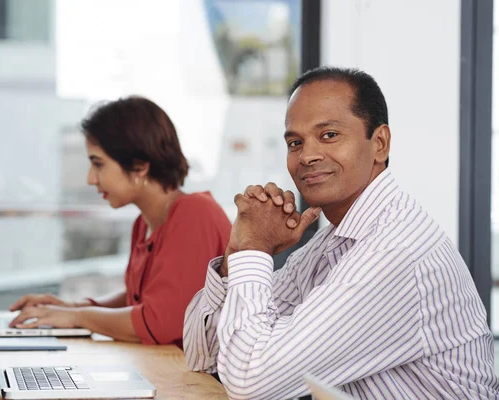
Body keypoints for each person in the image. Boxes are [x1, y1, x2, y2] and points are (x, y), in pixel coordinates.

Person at [183, 67, 499, 399]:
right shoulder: (333, 241)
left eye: (329, 135)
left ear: (379, 143)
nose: (307, 156)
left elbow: (250, 383)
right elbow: (204, 353)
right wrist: (236, 253)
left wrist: (256, 249)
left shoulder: (393, 251)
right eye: (295, 142)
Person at [9, 96, 231, 348]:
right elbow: (143, 299)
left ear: (139, 166)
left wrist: (77, 317)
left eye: (98, 164)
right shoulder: (144, 223)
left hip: (201, 383)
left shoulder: (194, 215)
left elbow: (156, 321)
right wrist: (72, 308)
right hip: (166, 369)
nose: (91, 179)